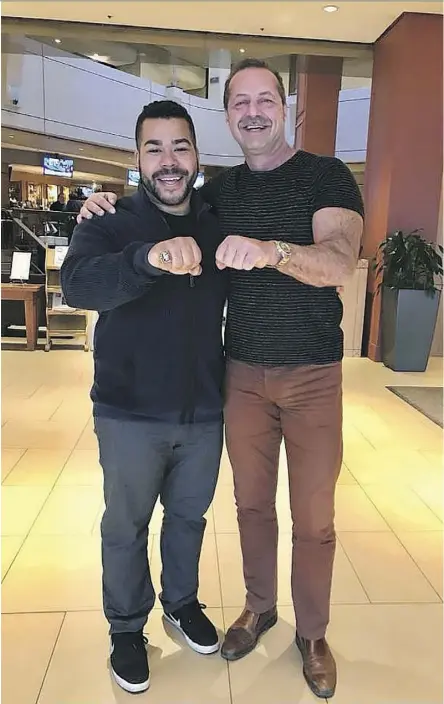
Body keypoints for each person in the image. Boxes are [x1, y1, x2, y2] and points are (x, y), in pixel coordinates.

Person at [77, 58, 364, 700]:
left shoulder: (323, 176)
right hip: (232, 380)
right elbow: (114, 249)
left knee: (311, 516)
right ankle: (252, 609)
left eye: (266, 99)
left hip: (310, 372)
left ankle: (310, 634)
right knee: (245, 508)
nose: (255, 111)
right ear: (228, 115)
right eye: (241, 101)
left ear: (284, 106)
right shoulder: (213, 195)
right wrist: (100, 207)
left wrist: (272, 252)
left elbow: (341, 261)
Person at [61, 100, 227, 694]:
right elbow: (77, 285)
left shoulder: (214, 220)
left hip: (205, 410)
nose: (168, 160)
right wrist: (148, 259)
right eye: (154, 148)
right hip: (128, 410)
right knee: (126, 525)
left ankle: (181, 603)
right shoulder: (107, 221)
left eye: (179, 147)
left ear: (196, 156)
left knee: (189, 517)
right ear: (136, 158)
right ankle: (127, 628)